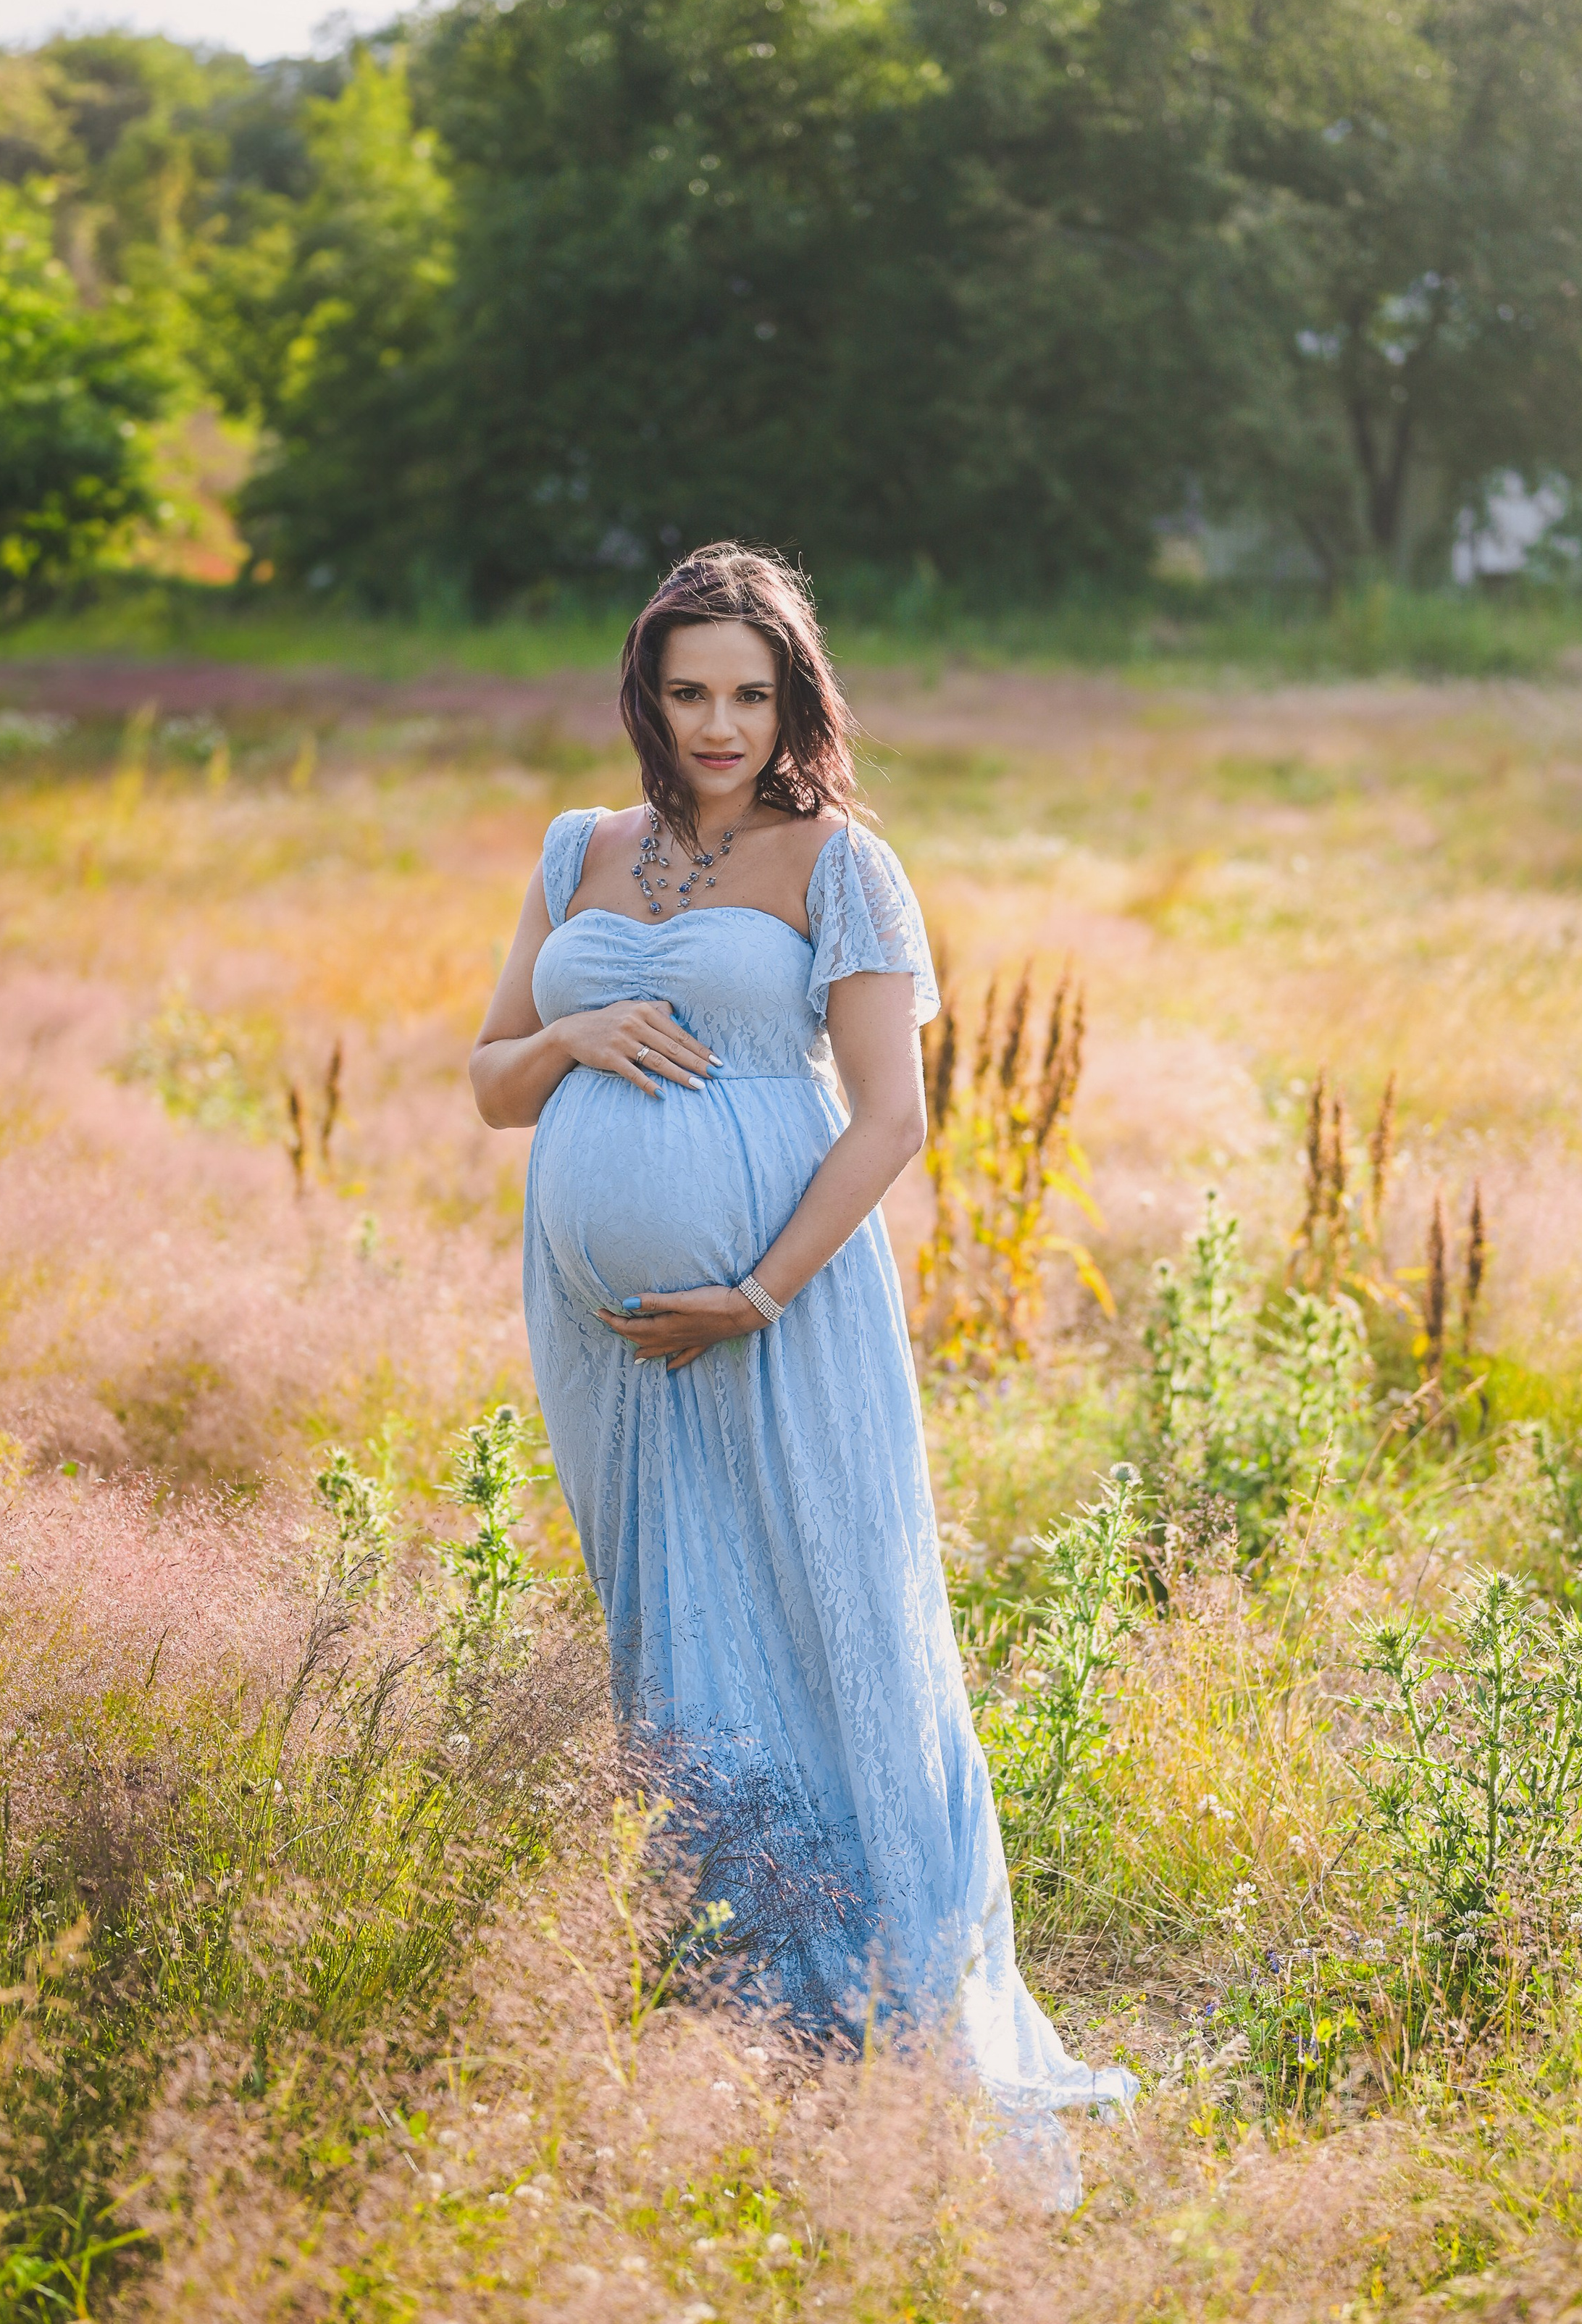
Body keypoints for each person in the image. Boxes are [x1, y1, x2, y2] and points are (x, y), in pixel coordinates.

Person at [471, 544, 1133, 2203]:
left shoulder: (843, 862)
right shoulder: (578, 850)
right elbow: (488, 1080)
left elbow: (892, 1117)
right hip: (607, 1337)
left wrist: (755, 1291)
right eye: (688, 690)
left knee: (827, 1604)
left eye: (747, 695)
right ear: (647, 692)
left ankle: (887, 2001)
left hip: (785, 1304)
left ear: (792, 701)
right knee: (671, 1614)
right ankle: (732, 1983)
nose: (716, 725)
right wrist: (569, 1041)